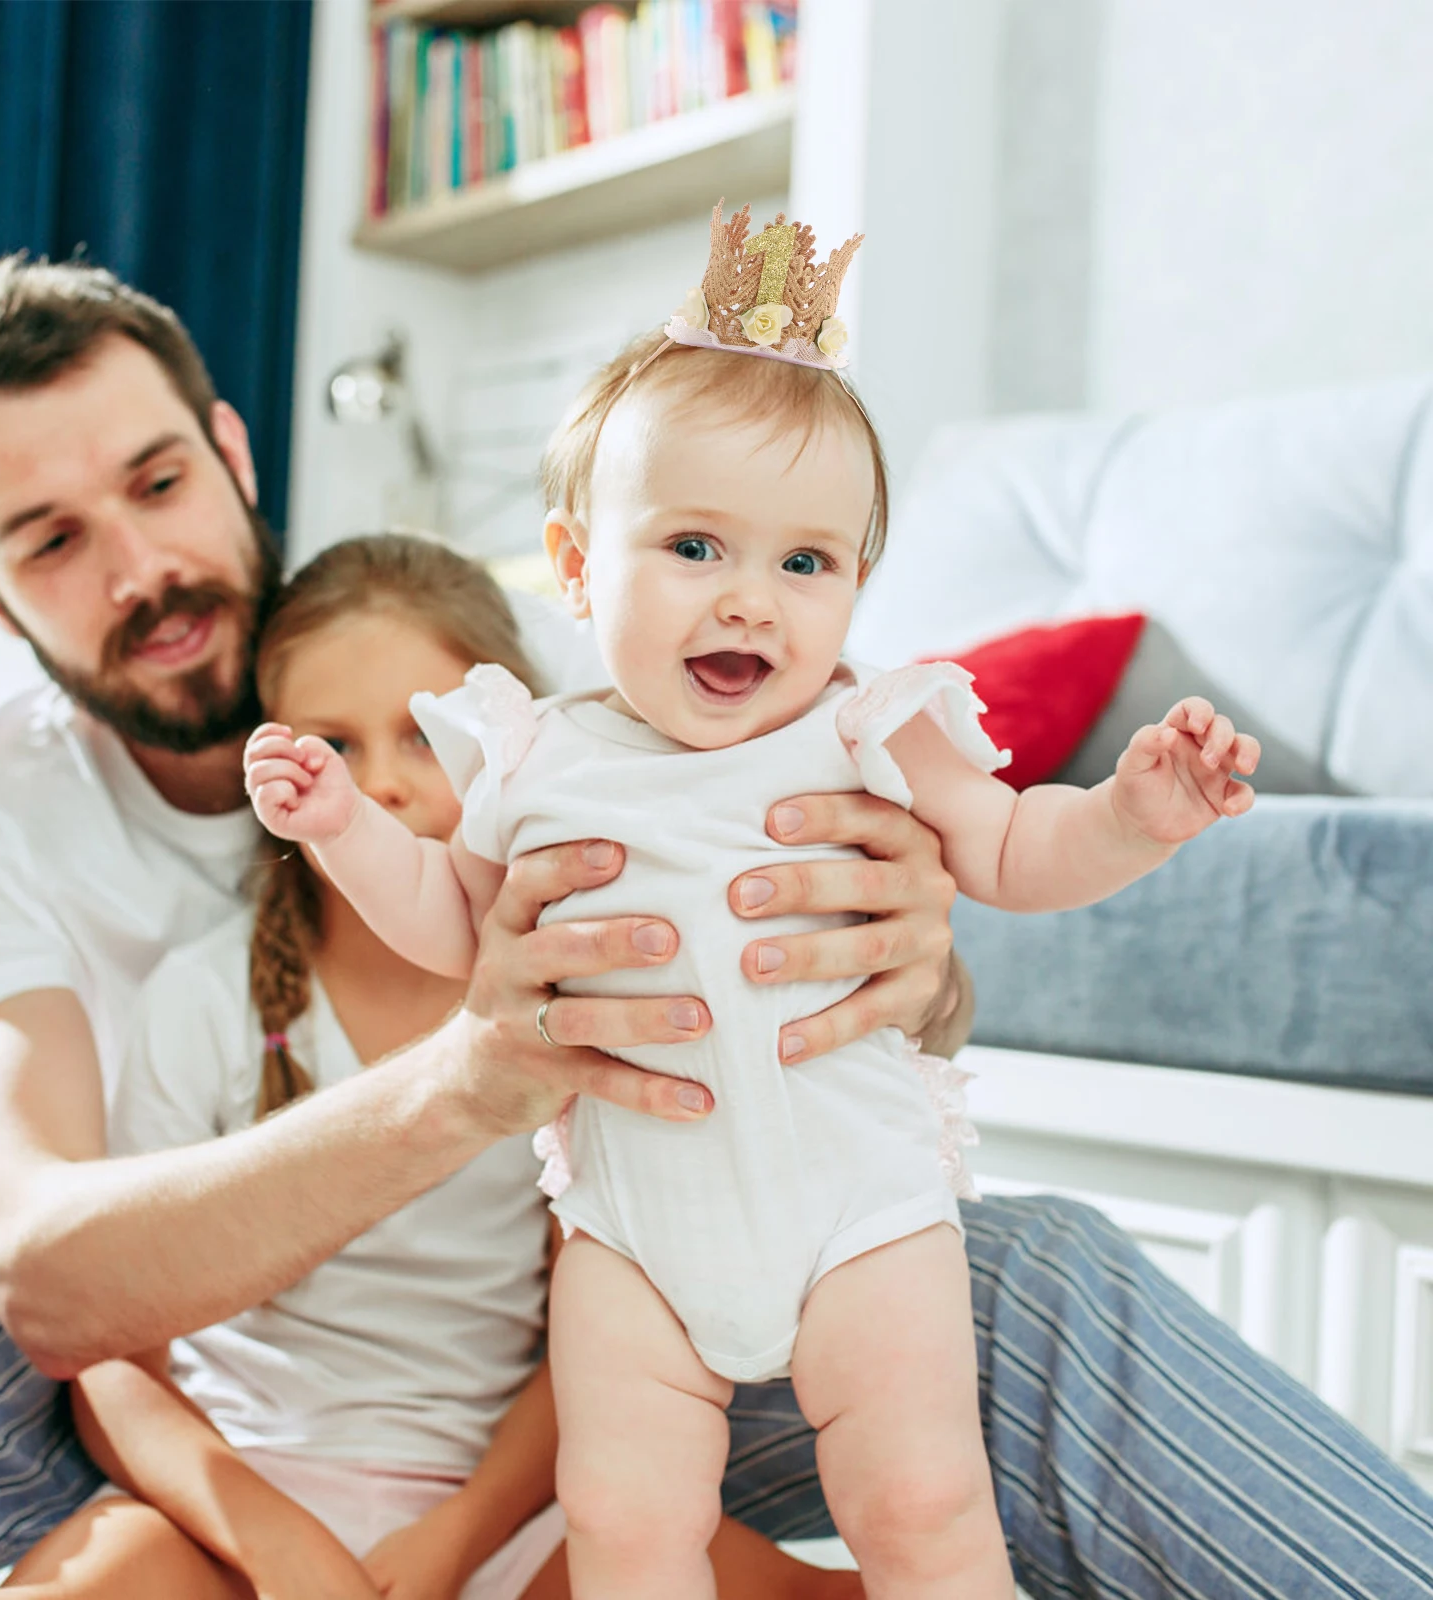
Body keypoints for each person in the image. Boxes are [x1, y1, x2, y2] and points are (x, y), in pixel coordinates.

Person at [0, 254, 1430, 1600]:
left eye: (159, 479)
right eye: (48, 539)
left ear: (233, 451)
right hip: (228, 1363)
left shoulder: (566, 652)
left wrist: (917, 948)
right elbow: (46, 1280)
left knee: (1026, 1277)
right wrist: (467, 1077)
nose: (142, 564)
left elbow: (895, 904)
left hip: (647, 1275)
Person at [243, 210, 1268, 1600]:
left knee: (921, 1506)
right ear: (576, 561)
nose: (750, 604)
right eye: (695, 547)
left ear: (854, 583)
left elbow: (1021, 851)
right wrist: (344, 828)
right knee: (622, 1522)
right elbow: (450, 926)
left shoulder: (872, 729)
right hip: (634, 1237)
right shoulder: (537, 753)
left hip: (860, 1214)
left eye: (806, 564)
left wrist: (1138, 817)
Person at [1, 533, 856, 1600]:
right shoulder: (203, 993)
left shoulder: (588, 1000)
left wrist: (453, 1540)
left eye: (424, 737)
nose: (385, 786)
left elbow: (603, 1345)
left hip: (507, 1511)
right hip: (238, 1512)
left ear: (514, 750)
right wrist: (279, 1547)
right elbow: (115, 1358)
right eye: (334, 745)